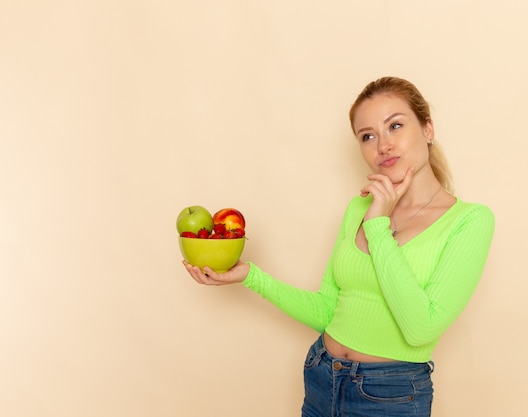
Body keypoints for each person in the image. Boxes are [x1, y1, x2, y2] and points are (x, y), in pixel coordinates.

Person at [184, 76, 495, 417]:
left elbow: (420, 328)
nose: (384, 145)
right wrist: (251, 277)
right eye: (368, 136)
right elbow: (328, 312)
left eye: (395, 126)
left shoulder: (469, 221)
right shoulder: (358, 209)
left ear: (428, 129)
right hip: (322, 375)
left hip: (390, 396)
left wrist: (379, 225)